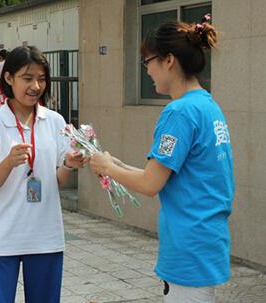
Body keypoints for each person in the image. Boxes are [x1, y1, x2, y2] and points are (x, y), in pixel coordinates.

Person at [89, 14, 234, 303]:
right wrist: (115, 165)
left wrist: (107, 168)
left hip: (188, 246)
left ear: (168, 60)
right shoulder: (207, 105)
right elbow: (163, 173)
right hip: (206, 241)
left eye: (148, 61)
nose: (147, 70)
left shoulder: (179, 112)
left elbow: (150, 184)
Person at [0, 46, 85, 303]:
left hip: (45, 236)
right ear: (9, 78)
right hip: (3, 237)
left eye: (41, 78)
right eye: (27, 78)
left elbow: (56, 181)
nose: (36, 86)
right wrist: (8, 163)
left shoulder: (56, 121)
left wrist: (68, 164)